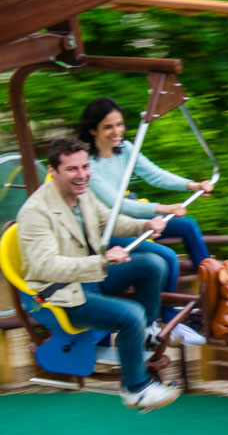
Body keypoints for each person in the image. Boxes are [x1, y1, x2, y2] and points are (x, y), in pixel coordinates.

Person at [17, 138, 180, 410]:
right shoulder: (36, 212)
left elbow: (109, 220)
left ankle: (147, 332)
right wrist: (101, 261)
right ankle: (136, 389)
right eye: (72, 169)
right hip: (59, 293)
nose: (81, 175)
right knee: (131, 316)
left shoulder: (83, 195)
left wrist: (144, 225)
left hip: (89, 279)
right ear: (53, 171)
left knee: (153, 263)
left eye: (84, 167)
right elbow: (46, 266)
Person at [78, 96, 211, 344]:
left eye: (119, 124)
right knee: (168, 257)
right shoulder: (88, 166)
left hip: (133, 218)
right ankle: (167, 317)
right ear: (92, 129)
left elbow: (154, 174)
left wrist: (192, 185)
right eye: (108, 127)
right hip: (109, 228)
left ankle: (213, 284)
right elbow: (116, 204)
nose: (116, 131)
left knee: (188, 225)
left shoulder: (125, 149)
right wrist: (162, 209)